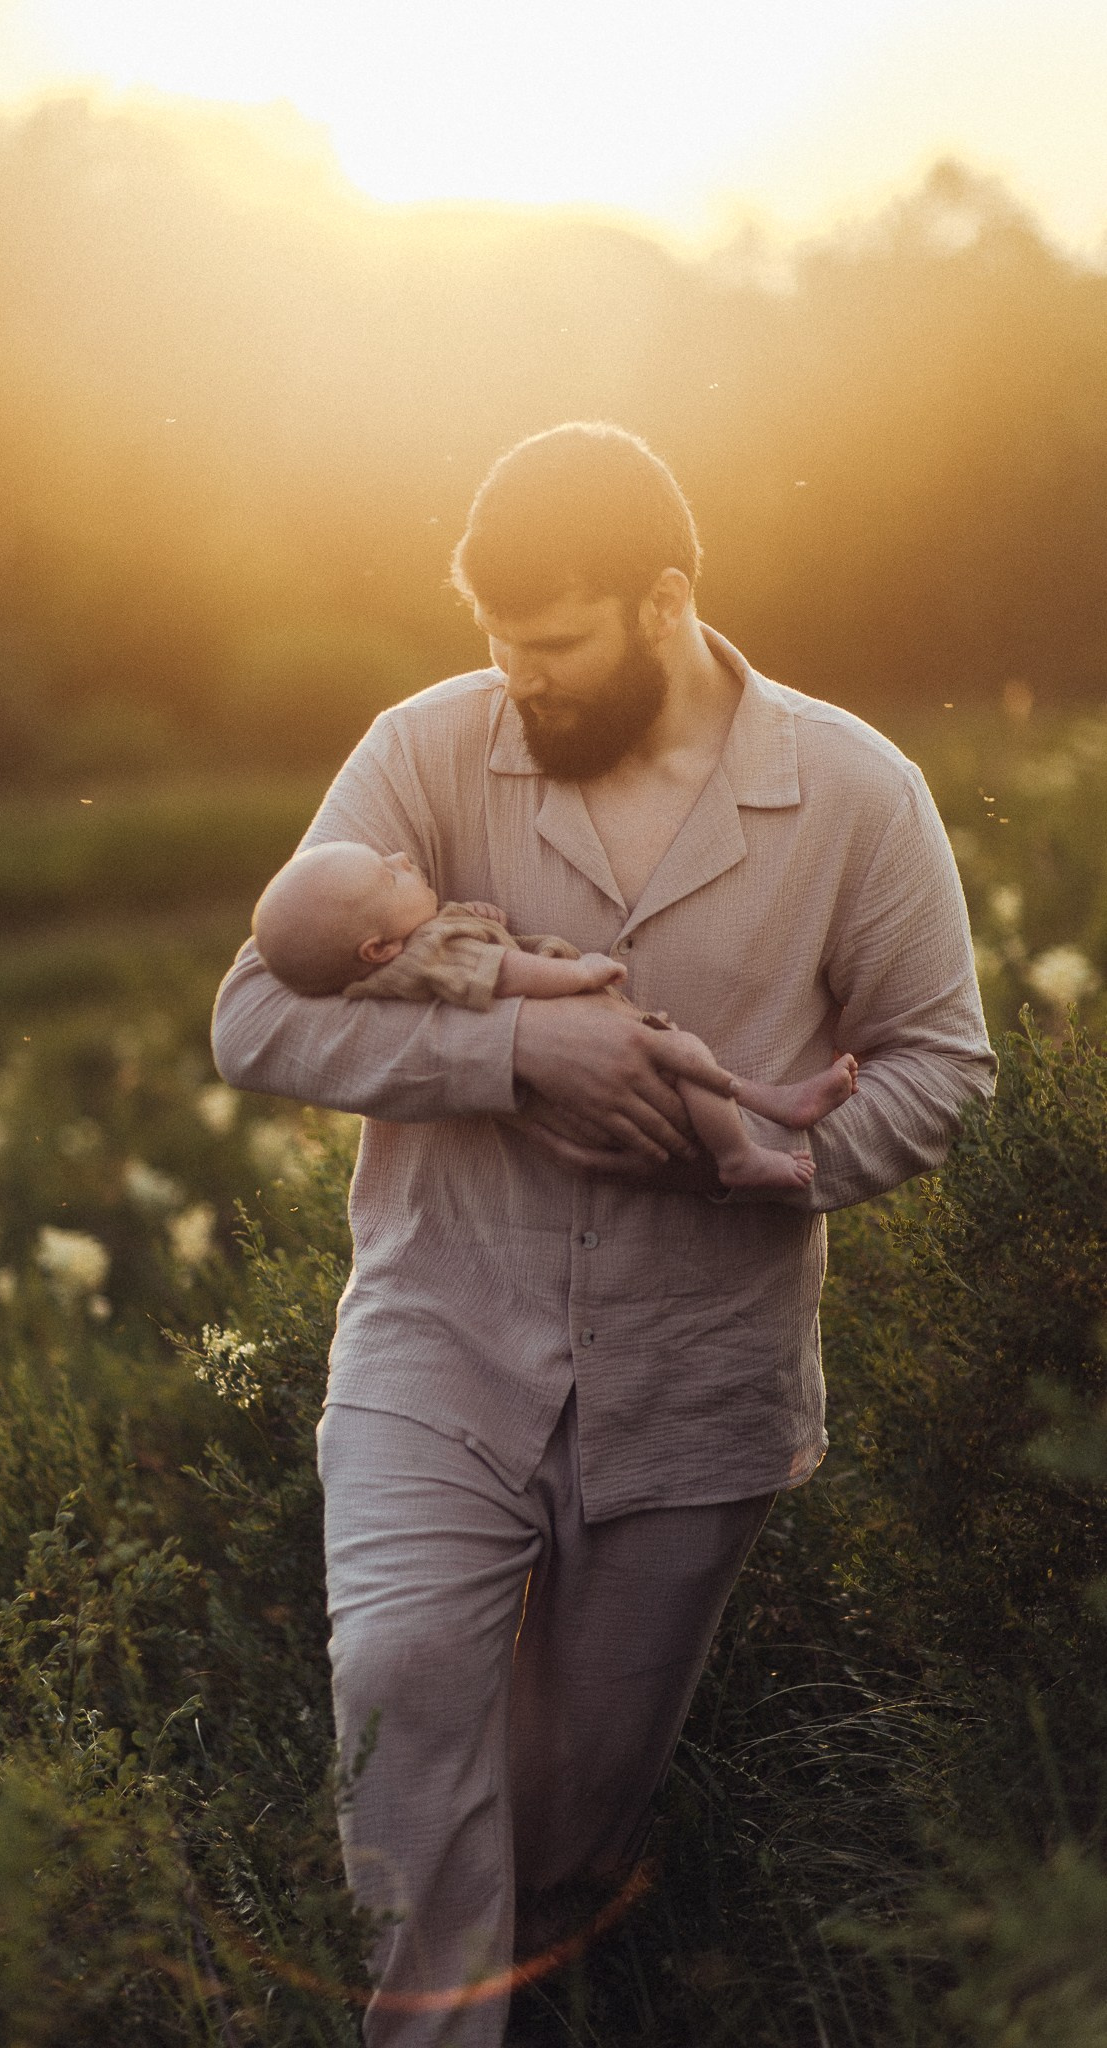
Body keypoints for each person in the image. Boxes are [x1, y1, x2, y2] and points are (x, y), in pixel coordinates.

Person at [210, 422, 995, 2047]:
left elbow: (940, 1062)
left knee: (572, 1822)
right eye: (497, 650)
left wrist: (791, 1164)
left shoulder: (856, 792)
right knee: (403, 1678)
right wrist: (511, 1052)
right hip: (440, 1327)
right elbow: (253, 1017)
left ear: (663, 603)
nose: (522, 686)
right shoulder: (425, 751)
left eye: (554, 647)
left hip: (702, 1379)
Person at [250, 837, 861, 1189]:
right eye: (388, 875)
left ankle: (771, 1104)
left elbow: (471, 946)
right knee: (688, 1060)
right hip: (601, 1028)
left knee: (686, 1062)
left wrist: (479, 916)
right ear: (376, 949)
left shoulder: (415, 947)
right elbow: (507, 972)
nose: (403, 857)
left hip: (606, 1038)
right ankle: (741, 1153)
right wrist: (581, 972)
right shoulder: (431, 954)